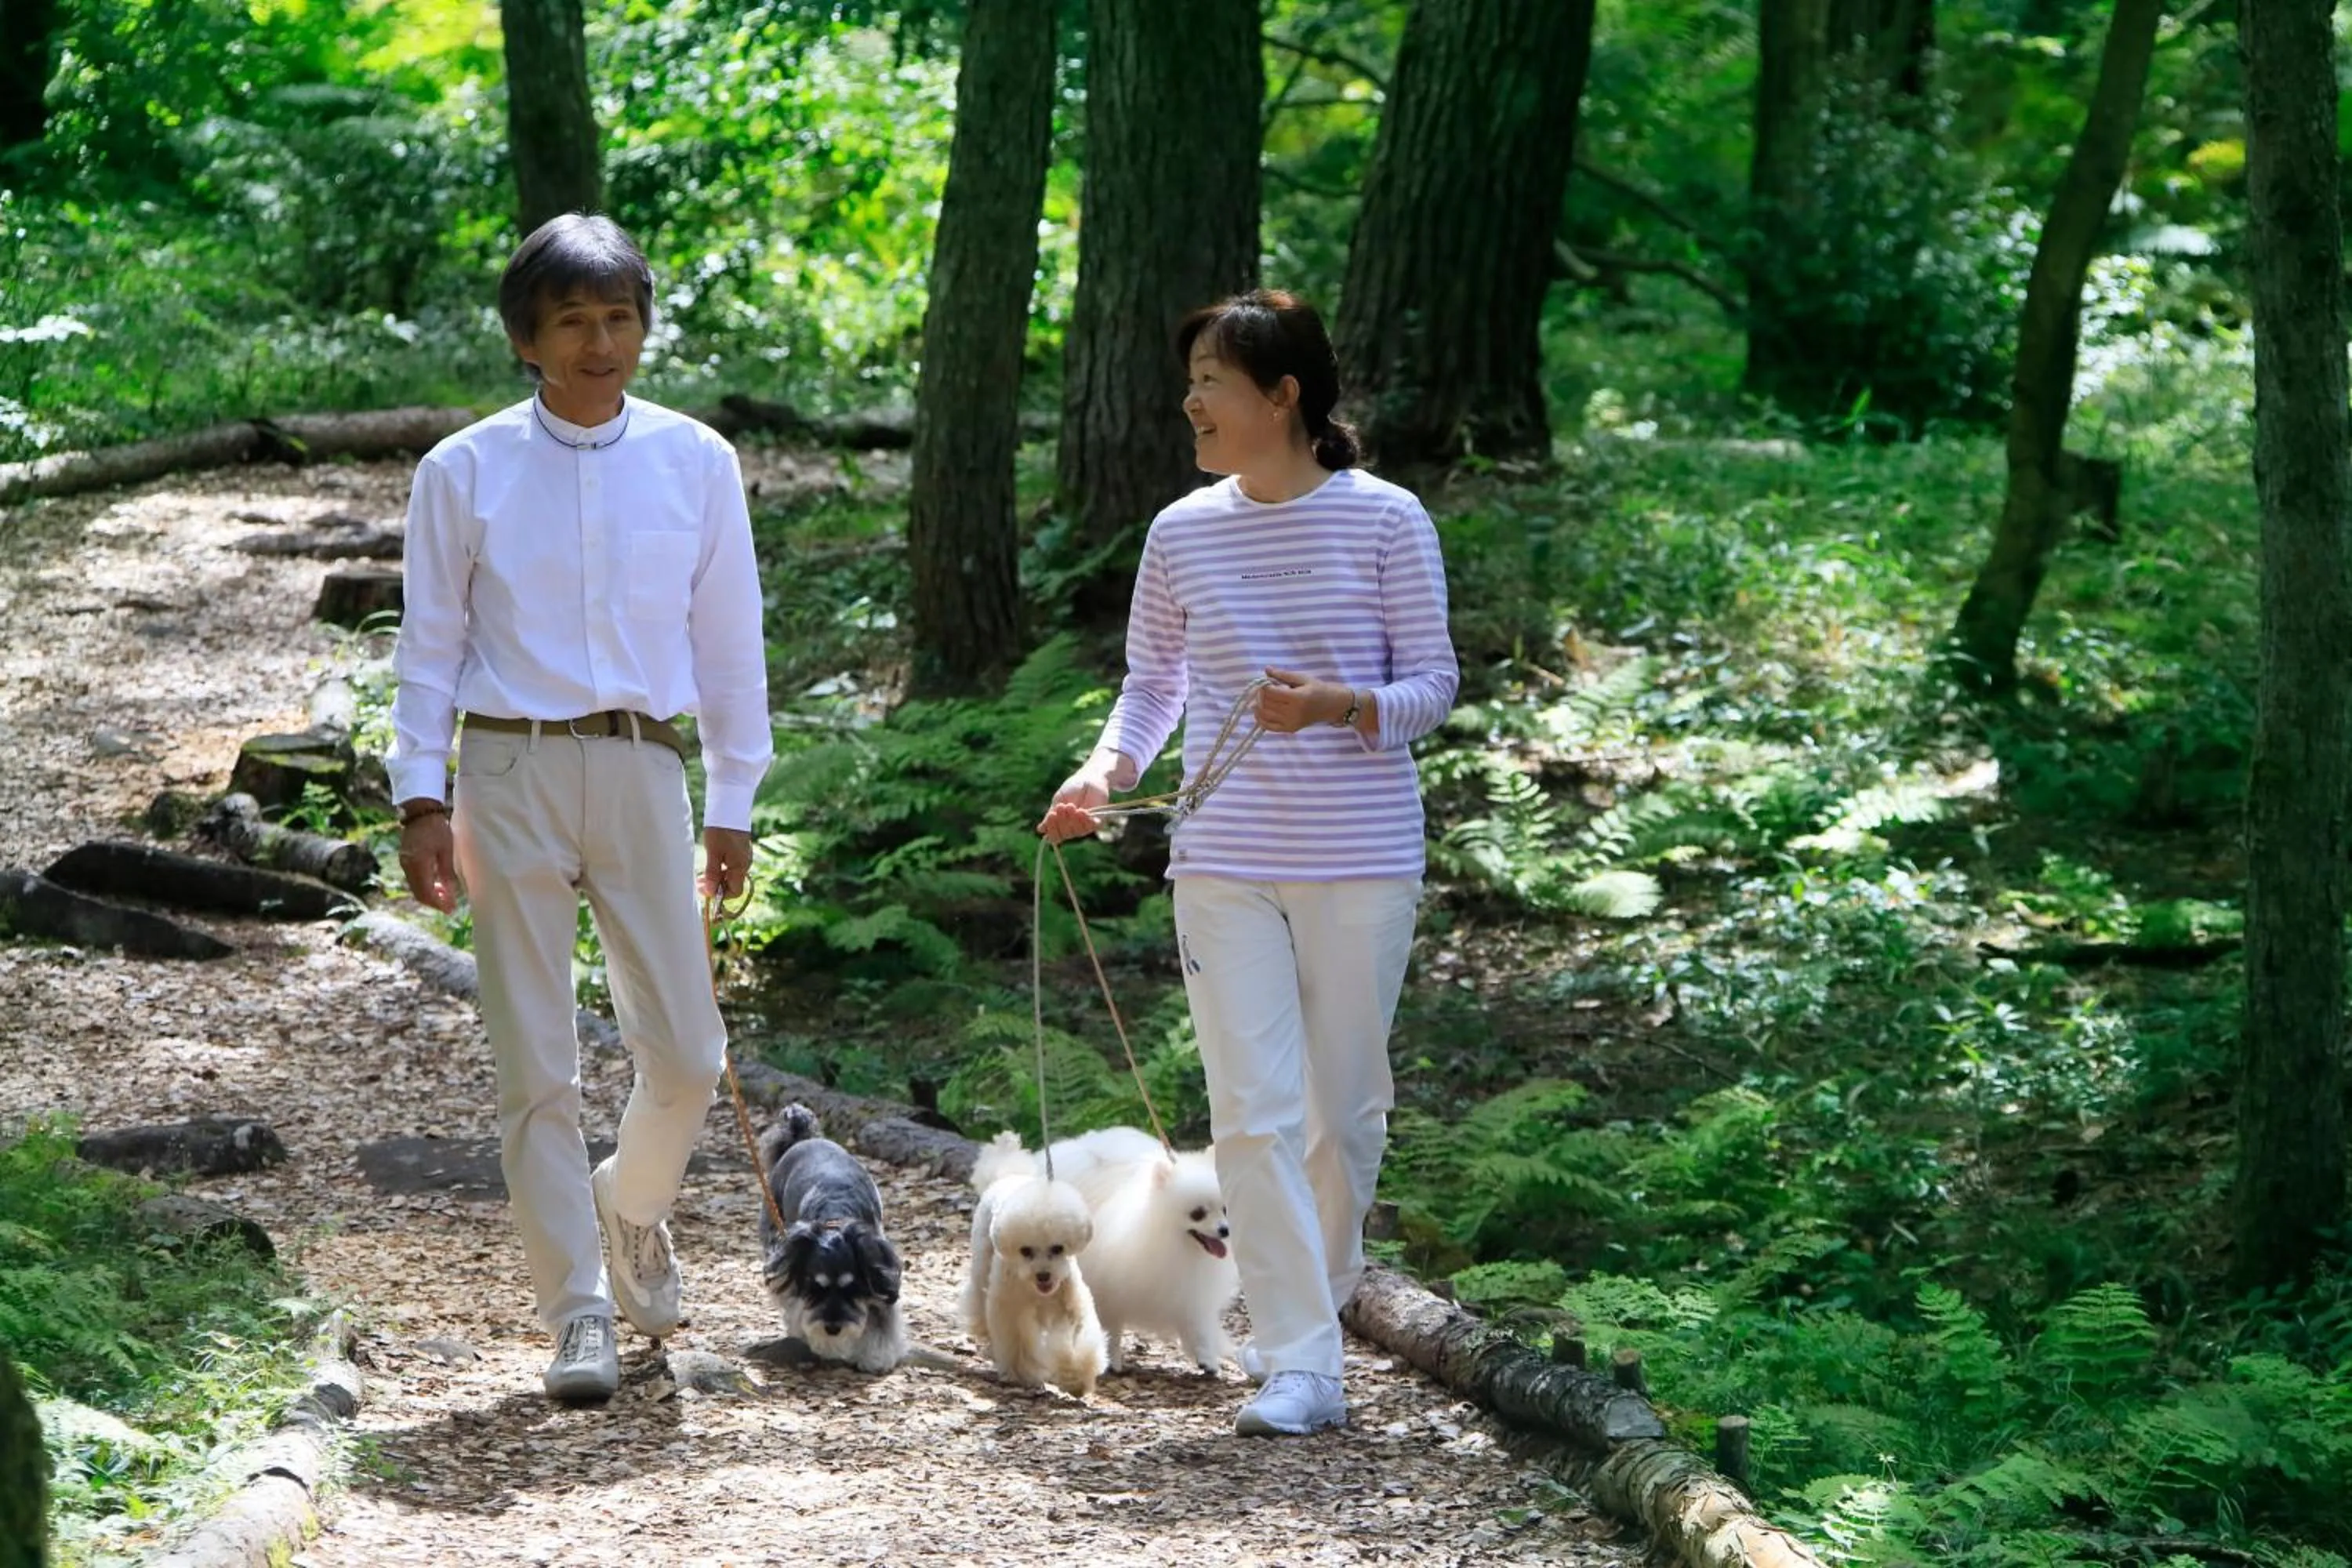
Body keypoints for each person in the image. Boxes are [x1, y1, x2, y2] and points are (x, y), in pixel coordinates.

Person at [1039, 288, 1459, 1436]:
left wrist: (1341, 705)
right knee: (1253, 1118)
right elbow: (1153, 685)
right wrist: (1105, 773)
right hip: (1223, 861)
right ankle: (1300, 1362)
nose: (1192, 402)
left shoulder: (1387, 520)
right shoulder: (1183, 531)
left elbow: (1434, 683)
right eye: (1192, 382)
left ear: (1285, 397)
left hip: (1362, 860)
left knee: (1345, 1113)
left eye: (1214, 382)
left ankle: (1312, 1312)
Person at [389, 214, 772, 1403]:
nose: (600, 341)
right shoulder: (463, 470)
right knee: (537, 1063)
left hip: (645, 768)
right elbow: (431, 644)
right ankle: (578, 1313)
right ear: (527, 341)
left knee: (690, 1054)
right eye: (572, 321)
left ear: (644, 326)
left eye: (619, 317)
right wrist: (418, 795)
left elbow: (729, 639)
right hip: (507, 773)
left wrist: (735, 791)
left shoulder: (697, 461)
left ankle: (631, 1206)